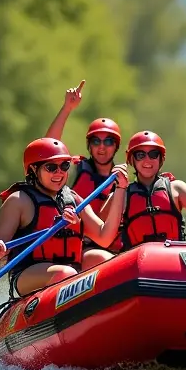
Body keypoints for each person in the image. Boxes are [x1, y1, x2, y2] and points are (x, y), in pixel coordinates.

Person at [0, 138, 129, 296]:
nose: (59, 172)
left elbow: (105, 237)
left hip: (71, 271)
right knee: (65, 273)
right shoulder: (19, 200)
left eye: (64, 166)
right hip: (29, 274)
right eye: (51, 167)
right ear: (33, 169)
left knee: (106, 259)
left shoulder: (74, 199)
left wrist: (120, 188)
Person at [91, 130, 186, 259]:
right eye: (140, 155)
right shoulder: (122, 194)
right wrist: (118, 189)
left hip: (173, 258)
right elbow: (101, 229)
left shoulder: (176, 188)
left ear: (161, 159)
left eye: (153, 154)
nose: (147, 160)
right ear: (131, 159)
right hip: (139, 262)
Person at [43, 79, 123, 269]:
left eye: (108, 141)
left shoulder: (122, 182)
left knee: (113, 259)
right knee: (105, 259)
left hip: (111, 247)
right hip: (79, 247)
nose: (102, 147)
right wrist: (67, 108)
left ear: (116, 146)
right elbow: (47, 150)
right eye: (96, 141)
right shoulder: (74, 169)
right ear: (89, 145)